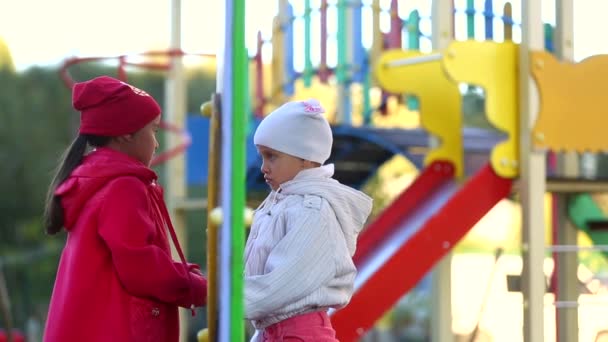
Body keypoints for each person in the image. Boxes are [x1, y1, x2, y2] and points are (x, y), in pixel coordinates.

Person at [42, 76, 207, 342]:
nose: (157, 143)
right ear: (125, 133)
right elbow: (141, 268)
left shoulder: (95, 181)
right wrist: (201, 288)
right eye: (153, 131)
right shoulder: (123, 187)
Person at [244, 99, 373, 341]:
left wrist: (230, 298)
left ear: (304, 157)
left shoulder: (312, 210)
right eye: (262, 157)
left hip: (300, 334)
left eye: (272, 156)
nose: (263, 167)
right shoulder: (282, 203)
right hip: (275, 331)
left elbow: (286, 282)